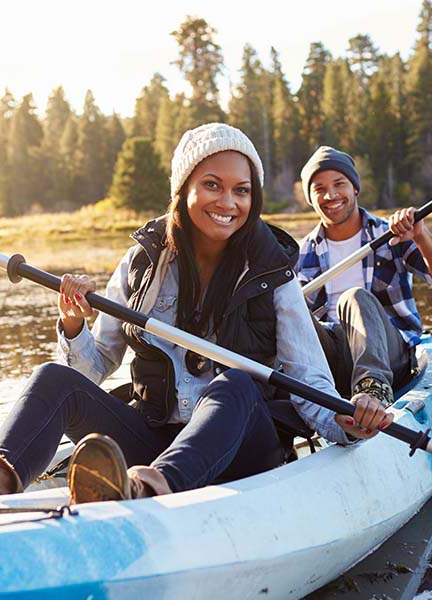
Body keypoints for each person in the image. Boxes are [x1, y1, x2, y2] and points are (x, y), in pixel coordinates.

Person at [0, 125, 393, 502]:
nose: (228, 202)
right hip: (155, 437)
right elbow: (92, 368)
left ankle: (151, 489)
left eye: (241, 190)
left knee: (235, 384)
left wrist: (343, 424)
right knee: (53, 379)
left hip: (241, 447)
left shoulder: (273, 269)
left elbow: (308, 376)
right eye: (212, 185)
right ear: (182, 188)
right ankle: (4, 477)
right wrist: (73, 325)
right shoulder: (143, 261)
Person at [296, 146, 432, 407]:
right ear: (310, 198)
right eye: (319, 188)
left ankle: (373, 390)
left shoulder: (390, 234)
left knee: (354, 299)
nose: (330, 195)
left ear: (354, 187)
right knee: (291, 310)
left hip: (389, 354)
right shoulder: (301, 252)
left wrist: (422, 236)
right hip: (332, 361)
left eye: (339, 184)